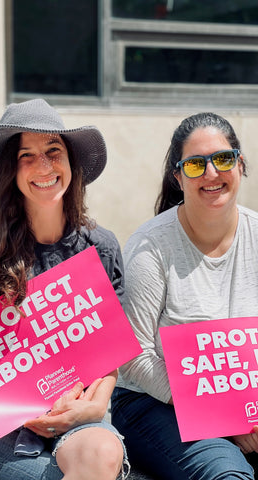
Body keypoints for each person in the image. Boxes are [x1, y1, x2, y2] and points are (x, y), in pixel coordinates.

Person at [0, 99, 129, 480]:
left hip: (76, 418)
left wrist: (95, 406)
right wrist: (25, 406)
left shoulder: (99, 247)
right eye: (27, 155)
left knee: (104, 454)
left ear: (71, 162)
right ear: (11, 171)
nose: (44, 167)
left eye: (53, 151)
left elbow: (112, 348)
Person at [111, 112, 258, 480]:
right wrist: (224, 414)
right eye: (195, 165)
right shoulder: (150, 247)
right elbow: (133, 355)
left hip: (246, 400)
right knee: (228, 476)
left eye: (223, 159)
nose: (211, 173)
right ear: (178, 177)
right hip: (154, 402)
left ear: (240, 164)